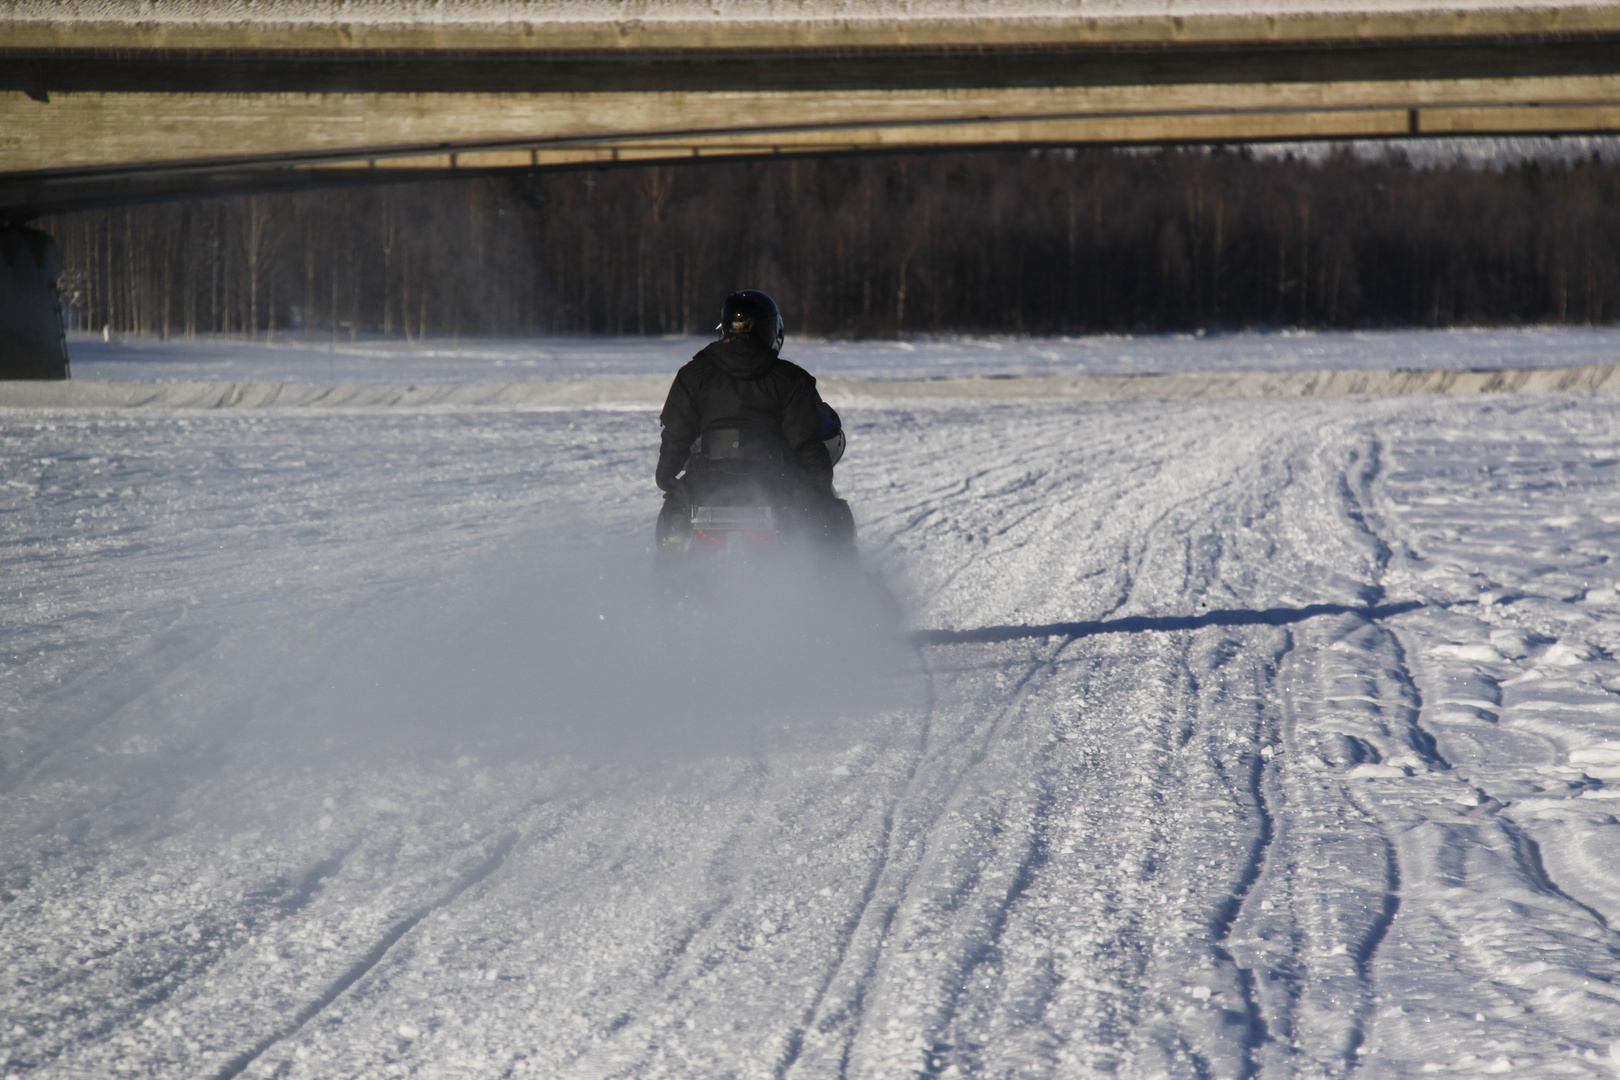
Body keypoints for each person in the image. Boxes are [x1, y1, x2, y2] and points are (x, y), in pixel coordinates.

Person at [655, 290, 855, 554]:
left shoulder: (693, 375)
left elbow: (676, 433)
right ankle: (837, 584)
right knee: (828, 518)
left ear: (726, 328)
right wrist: (819, 485)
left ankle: (670, 585)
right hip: (776, 478)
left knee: (674, 523)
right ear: (772, 330)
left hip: (708, 477)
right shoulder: (789, 378)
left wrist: (668, 478)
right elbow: (806, 439)